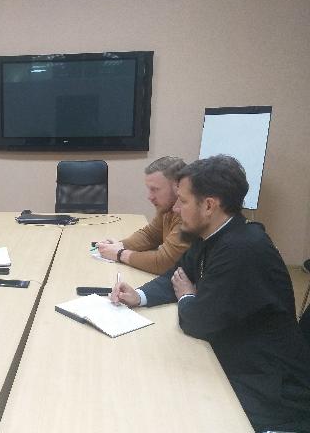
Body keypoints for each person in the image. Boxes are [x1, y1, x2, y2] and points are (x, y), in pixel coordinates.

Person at [111, 155, 310, 432]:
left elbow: (198, 321)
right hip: (235, 356)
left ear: (208, 205)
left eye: (183, 201)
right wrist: (139, 295)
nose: (175, 208)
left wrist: (187, 296)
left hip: (270, 388)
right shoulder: (212, 234)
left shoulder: (243, 249)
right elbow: (178, 275)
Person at [96, 156, 189, 274]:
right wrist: (120, 245)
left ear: (178, 187)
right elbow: (150, 235)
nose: (149, 197)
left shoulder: (187, 214)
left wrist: (119, 254)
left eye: (155, 189)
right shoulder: (167, 208)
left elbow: (163, 263)